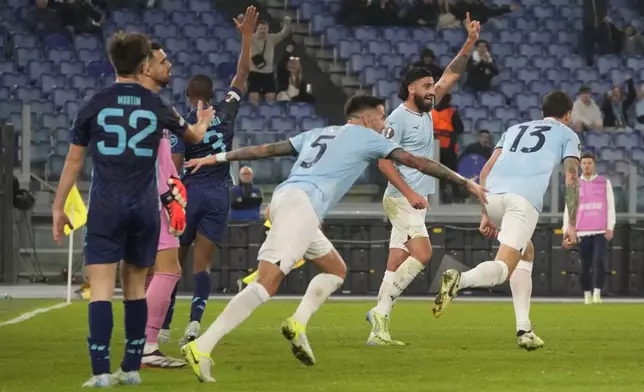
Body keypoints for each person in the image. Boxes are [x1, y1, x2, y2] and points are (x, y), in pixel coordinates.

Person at [178, 94, 487, 382]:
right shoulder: (367, 137)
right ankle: (202, 345)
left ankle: (298, 322)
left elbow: (265, 150)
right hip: (302, 207)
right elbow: (418, 162)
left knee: (336, 270)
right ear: (367, 120)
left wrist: (217, 158)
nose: (384, 126)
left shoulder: (319, 132)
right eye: (381, 119)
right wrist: (465, 183)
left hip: (288, 198)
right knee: (266, 283)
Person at [50, 31, 214, 387]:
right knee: (137, 288)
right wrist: (202, 122)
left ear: (113, 63)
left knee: (103, 289)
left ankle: (100, 373)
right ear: (144, 65)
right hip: (144, 209)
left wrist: (58, 206)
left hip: (106, 207)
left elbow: (74, 162)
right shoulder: (157, 104)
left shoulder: (94, 103)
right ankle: (131, 368)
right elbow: (195, 138)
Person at [432, 90, 581, 352]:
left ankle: (524, 329)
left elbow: (486, 169)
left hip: (493, 197)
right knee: (503, 268)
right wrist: (571, 223)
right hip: (522, 202)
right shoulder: (568, 134)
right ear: (567, 115)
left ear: (542, 112)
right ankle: (460, 279)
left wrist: (485, 213)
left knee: (527, 251)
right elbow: (571, 178)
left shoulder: (514, 129)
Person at [367, 13, 480, 346]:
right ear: (411, 88)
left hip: (415, 197)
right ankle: (381, 310)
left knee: (397, 259)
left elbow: (450, 75)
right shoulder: (398, 118)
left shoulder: (427, 110)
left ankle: (379, 324)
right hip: (402, 197)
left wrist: (470, 42)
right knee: (424, 253)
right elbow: (383, 164)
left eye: (433, 86)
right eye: (427, 86)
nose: (434, 90)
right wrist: (411, 194)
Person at [169, 6, 257, 347]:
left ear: (191, 96)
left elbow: (175, 167)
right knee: (203, 266)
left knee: (173, 264)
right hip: (219, 192)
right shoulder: (228, 109)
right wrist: (246, 38)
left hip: (189, 194)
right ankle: (194, 324)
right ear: (212, 93)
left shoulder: (183, 122)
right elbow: (242, 74)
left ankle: (162, 326)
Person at [136, 42, 188, 369]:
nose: (169, 65)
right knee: (170, 269)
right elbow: (147, 163)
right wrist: (169, 197)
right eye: (162, 61)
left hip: (142, 199)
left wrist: (176, 182)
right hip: (153, 203)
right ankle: (148, 347)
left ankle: (138, 344)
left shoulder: (136, 105)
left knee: (146, 275)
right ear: (146, 68)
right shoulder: (151, 108)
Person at [562, 152, 615, 304]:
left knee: (599, 262)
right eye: (584, 163)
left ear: (594, 164)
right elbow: (569, 208)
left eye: (589, 163)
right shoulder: (575, 184)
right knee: (584, 265)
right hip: (582, 231)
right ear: (580, 166)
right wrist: (567, 228)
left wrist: (610, 226)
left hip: (600, 231)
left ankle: (597, 293)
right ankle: (586, 295)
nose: (586, 166)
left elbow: (610, 206)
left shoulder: (604, 183)